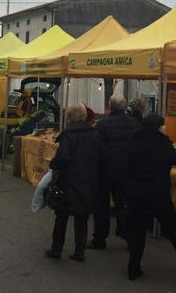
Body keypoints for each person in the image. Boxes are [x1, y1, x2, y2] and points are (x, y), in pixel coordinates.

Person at [126, 114, 176, 281]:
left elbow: (127, 165)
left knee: (137, 232)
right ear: (158, 128)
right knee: (174, 230)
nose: (165, 127)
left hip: (138, 193)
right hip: (158, 193)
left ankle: (133, 268)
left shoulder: (135, 141)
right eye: (163, 125)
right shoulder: (162, 144)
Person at [45, 103, 105, 262]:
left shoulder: (68, 135)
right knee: (82, 217)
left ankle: (56, 249)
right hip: (88, 180)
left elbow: (63, 157)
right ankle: (79, 251)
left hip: (68, 181)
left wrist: (53, 164)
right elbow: (102, 156)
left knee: (62, 217)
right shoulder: (95, 134)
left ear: (70, 117)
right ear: (85, 116)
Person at [89, 95, 142, 249]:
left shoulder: (102, 124)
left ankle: (100, 238)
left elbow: (96, 147)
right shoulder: (135, 124)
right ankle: (128, 235)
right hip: (126, 170)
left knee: (102, 205)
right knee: (123, 204)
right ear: (124, 107)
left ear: (110, 107)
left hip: (105, 170)